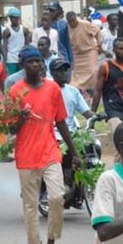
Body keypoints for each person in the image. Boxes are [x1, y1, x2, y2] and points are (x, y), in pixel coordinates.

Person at [9, 46, 80, 244]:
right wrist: (20, 118)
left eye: (39, 62)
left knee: (58, 197)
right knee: (30, 205)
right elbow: (10, 129)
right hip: (26, 155)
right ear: (23, 65)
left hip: (50, 151)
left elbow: (60, 122)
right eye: (31, 62)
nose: (36, 66)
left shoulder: (52, 89)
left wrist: (75, 151)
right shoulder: (16, 91)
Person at [50, 58, 94, 204]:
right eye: (60, 70)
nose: (64, 73)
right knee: (67, 155)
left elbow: (86, 112)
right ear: (52, 73)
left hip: (71, 133)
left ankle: (78, 186)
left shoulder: (73, 91)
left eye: (66, 69)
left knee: (91, 148)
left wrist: (97, 117)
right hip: (53, 134)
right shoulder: (48, 89)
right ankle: (62, 183)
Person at [91, 38, 123, 129]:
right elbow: (98, 91)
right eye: (121, 49)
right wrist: (92, 114)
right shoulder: (105, 66)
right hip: (113, 108)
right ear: (114, 50)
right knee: (119, 132)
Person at [68, 11, 103, 92]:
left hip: (89, 51)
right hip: (77, 54)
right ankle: (80, 91)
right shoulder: (67, 28)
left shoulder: (85, 23)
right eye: (70, 21)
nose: (72, 23)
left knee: (92, 71)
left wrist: (99, 45)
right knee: (76, 75)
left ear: (76, 19)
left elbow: (97, 31)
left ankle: (93, 90)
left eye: (73, 20)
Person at [2, 7, 30, 75]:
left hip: (22, 58)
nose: (16, 19)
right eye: (13, 17)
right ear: (10, 18)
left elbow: (27, 46)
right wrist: (4, 63)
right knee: (12, 78)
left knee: (22, 78)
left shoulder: (24, 30)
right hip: (11, 59)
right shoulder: (7, 31)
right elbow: (5, 48)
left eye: (17, 17)